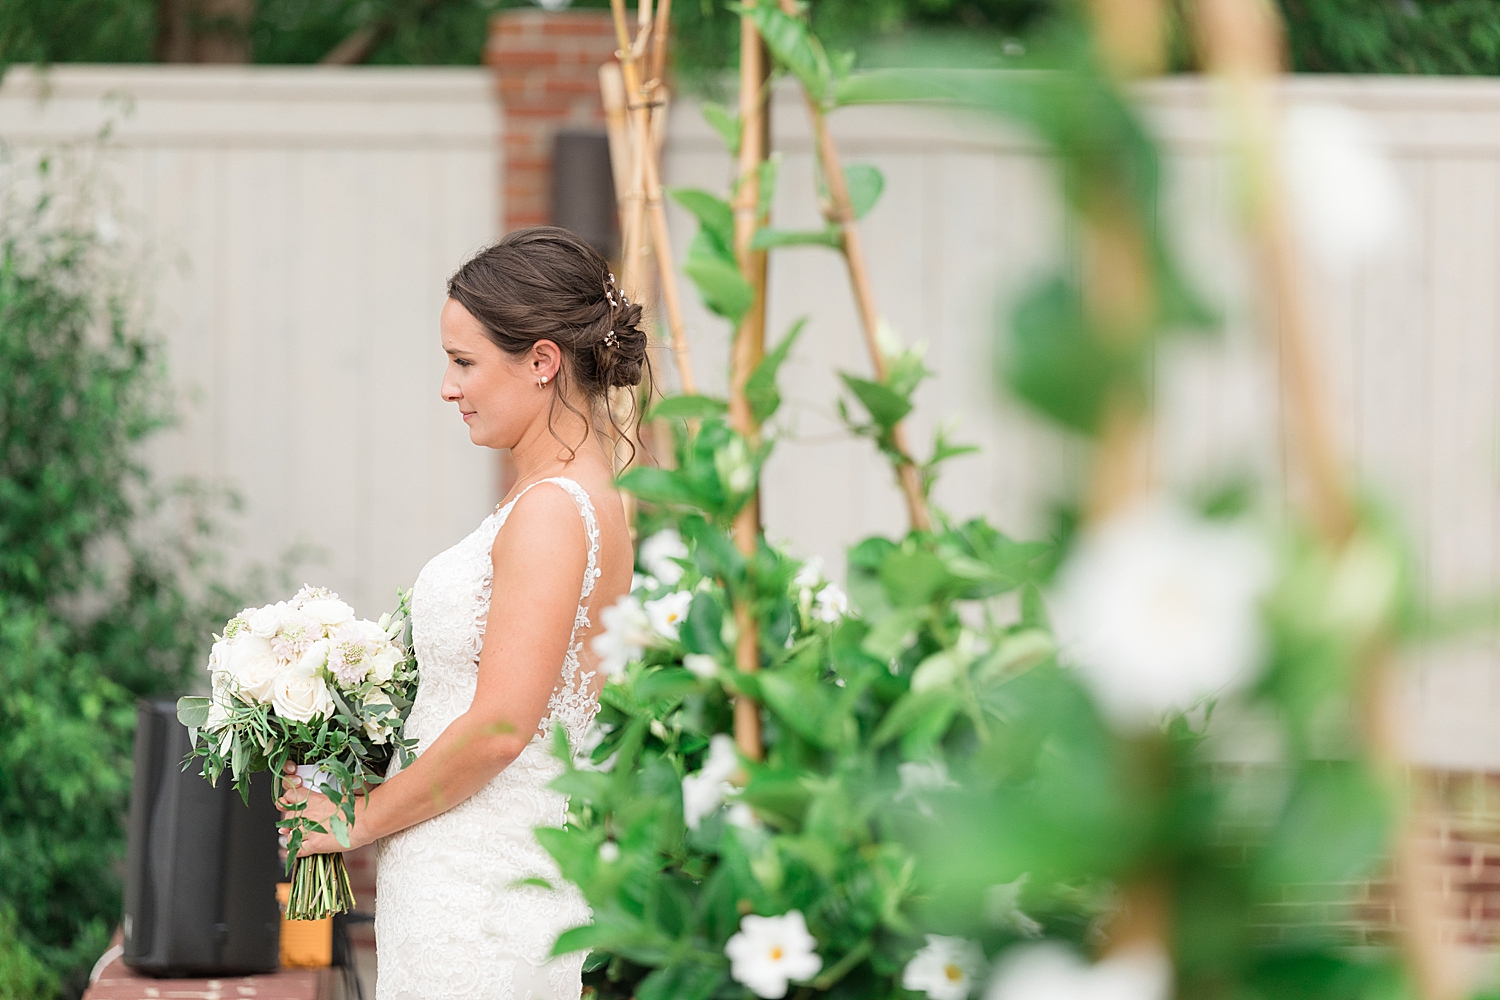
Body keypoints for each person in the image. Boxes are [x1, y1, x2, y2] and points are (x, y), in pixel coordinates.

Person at [275, 227, 645, 1000]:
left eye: (464, 362)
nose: (448, 387)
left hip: (479, 901)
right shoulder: (578, 498)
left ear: (542, 362)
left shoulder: (551, 512)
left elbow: (503, 726)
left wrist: (353, 819)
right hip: (480, 883)